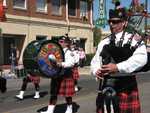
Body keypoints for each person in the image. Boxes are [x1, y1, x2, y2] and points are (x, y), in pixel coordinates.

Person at [90, 6, 147, 113]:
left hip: (126, 86)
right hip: (106, 85)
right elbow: (95, 61)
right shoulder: (104, 42)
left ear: (124, 23)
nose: (111, 24)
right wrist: (95, 70)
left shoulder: (134, 39)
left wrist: (117, 67)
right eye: (110, 21)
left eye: (115, 21)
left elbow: (141, 59)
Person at [40, 35, 76, 113]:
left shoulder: (69, 53)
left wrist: (61, 64)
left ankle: (69, 109)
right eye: (59, 41)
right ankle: (50, 110)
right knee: (53, 93)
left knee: (67, 95)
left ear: (66, 43)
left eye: (61, 41)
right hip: (56, 75)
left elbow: (71, 63)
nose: (59, 43)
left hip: (66, 75)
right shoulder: (55, 51)